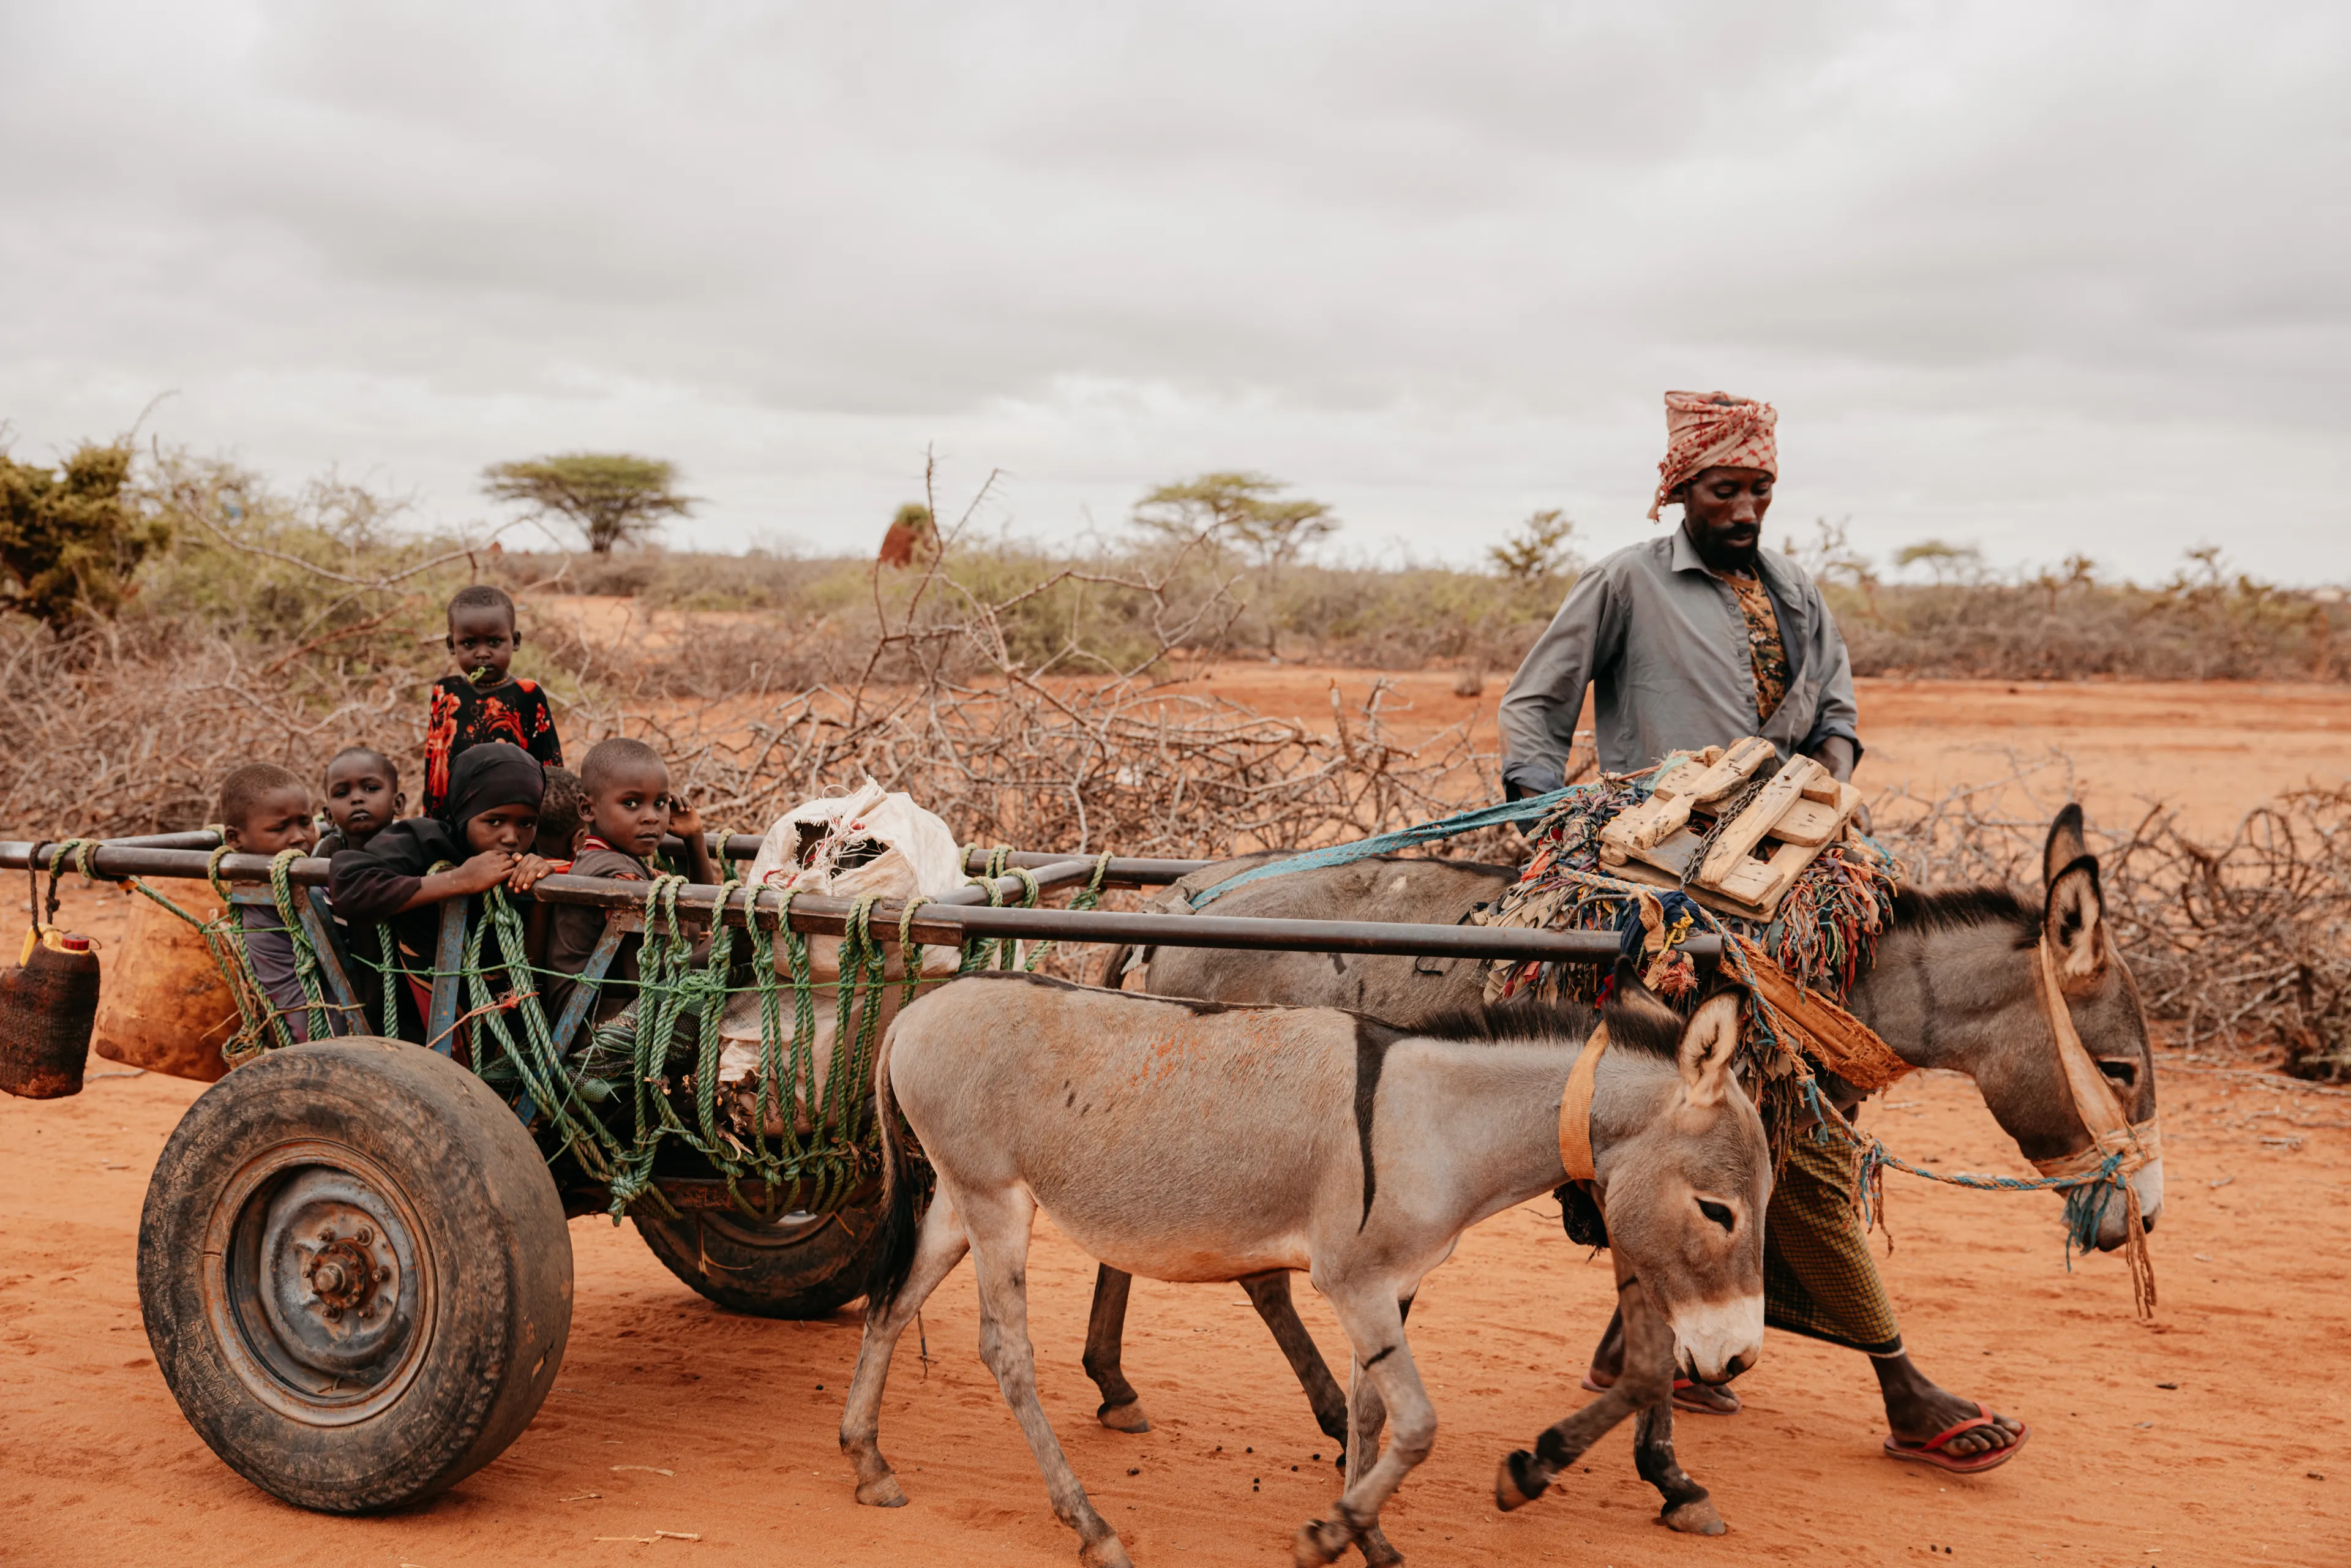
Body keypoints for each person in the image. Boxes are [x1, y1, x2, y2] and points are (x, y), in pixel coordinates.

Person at [1496, 389, 2025, 1472]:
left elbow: (1837, 715)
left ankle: (1639, 1342)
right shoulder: (1627, 581)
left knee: (1770, 1112)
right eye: (1724, 489)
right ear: (1679, 489)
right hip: (1668, 896)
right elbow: (1533, 708)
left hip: (1791, 885)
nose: (1744, 509)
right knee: (1779, 1123)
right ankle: (1903, 1390)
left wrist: (1819, 792)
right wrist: (1553, 818)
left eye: (1760, 490)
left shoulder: (1796, 591)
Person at [328, 743, 555, 1051]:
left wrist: (542, 883)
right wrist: (459, 880)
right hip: (404, 1023)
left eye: (526, 823)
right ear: (464, 812)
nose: (511, 837)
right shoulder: (421, 842)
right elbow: (350, 886)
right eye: (494, 821)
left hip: (505, 1026)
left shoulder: (527, 859)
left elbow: (532, 966)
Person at [541, 737, 718, 1033]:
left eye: (660, 803)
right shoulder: (613, 875)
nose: (651, 817)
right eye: (631, 803)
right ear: (587, 809)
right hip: (589, 1026)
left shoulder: (617, 860)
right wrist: (724, 953)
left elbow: (702, 912)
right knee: (736, 953)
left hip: (608, 1010)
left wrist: (693, 837)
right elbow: (644, 976)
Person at [217, 760, 337, 1041]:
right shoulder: (262, 894)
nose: (298, 837)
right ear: (235, 838)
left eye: (305, 822)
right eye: (279, 828)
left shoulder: (310, 869)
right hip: (312, 1024)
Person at [422, 585, 563, 817]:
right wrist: (431, 820)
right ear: (451, 645)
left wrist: (549, 817)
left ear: (515, 641)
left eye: (494, 642)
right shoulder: (446, 691)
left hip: (513, 817)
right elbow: (435, 760)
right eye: (469, 643)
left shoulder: (527, 693)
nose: (482, 653)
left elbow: (549, 762)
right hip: (455, 818)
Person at [315, 746, 404, 857]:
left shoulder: (413, 847)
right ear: (329, 815)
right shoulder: (328, 851)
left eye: (371, 788)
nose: (356, 798)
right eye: (342, 793)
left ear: (397, 803)